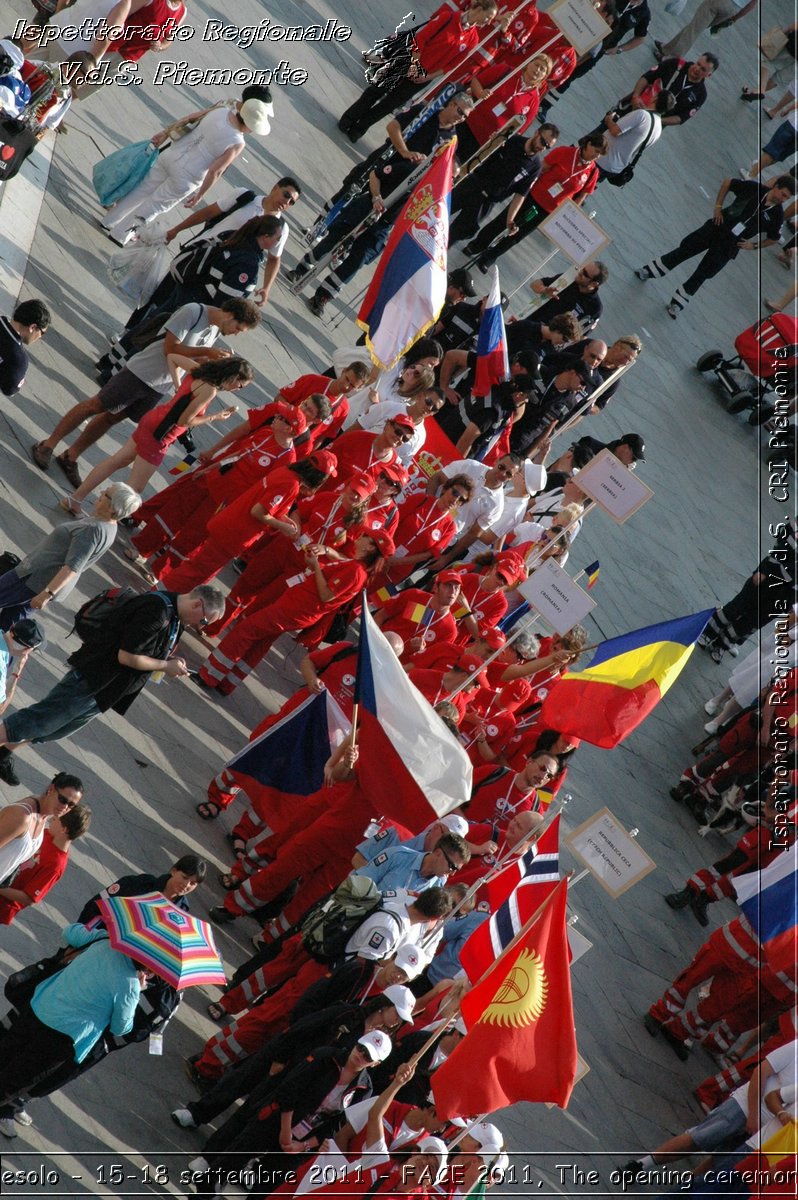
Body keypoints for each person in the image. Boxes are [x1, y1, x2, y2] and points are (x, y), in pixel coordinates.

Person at [30, 299, 259, 487]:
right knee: (95, 406)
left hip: (160, 385)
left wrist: (213, 362)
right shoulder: (192, 312)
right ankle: (48, 445)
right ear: (230, 315)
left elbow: (191, 358)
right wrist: (207, 351)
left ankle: (71, 456)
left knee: (112, 418)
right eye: (238, 328)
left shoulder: (213, 331)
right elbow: (170, 349)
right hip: (140, 372)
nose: (236, 334)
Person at [0, 585, 224, 757]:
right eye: (204, 621)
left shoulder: (174, 618)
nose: (201, 628)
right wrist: (166, 666)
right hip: (92, 681)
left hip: (105, 691)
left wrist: (168, 660)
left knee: (51, 730)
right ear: (197, 604)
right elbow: (127, 656)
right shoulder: (157, 610)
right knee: (35, 722)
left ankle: (4, 754)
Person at [197, 528, 394, 695]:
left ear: (370, 547)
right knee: (261, 642)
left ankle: (209, 675)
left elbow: (326, 595)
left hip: (297, 608)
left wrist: (316, 566)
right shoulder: (356, 568)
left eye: (365, 536)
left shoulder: (355, 571)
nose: (359, 537)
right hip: (297, 607)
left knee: (246, 631)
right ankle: (227, 683)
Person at [59, 356, 252, 514]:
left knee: (116, 461)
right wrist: (215, 417)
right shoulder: (209, 391)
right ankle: (102, 516)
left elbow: (172, 358)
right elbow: (185, 421)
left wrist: (178, 385)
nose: (238, 389)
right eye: (241, 385)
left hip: (152, 420)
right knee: (134, 489)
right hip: (161, 435)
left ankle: (75, 499)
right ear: (233, 377)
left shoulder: (199, 370)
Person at [0, 923, 149, 1109]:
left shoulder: (104, 941)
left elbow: (70, 932)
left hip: (40, 1008)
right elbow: (121, 1027)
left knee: (4, 1052)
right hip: (62, 1038)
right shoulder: (129, 985)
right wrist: (138, 990)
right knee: (13, 1082)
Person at [99, 95, 273, 245]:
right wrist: (201, 194)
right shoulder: (237, 142)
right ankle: (121, 234)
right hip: (189, 175)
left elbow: (190, 118)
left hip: (173, 153)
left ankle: (110, 220)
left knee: (143, 189)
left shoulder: (220, 111)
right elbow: (215, 171)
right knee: (155, 205)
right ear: (251, 125)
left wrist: (166, 132)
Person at [635, 174, 795, 317]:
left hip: (730, 245)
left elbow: (774, 238)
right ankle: (650, 271)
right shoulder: (755, 188)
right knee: (685, 250)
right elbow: (728, 183)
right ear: (776, 187)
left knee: (704, 272)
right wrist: (718, 208)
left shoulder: (777, 215)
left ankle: (677, 302)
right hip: (717, 227)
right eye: (783, 194)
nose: (783, 199)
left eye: (787, 198)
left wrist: (753, 246)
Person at [336, 0, 498, 140]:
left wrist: (427, 77)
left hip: (424, 77)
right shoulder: (448, 17)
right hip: (408, 62)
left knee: (389, 104)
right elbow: (421, 39)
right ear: (478, 9)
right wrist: (414, 65)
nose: (488, 22)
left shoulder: (473, 38)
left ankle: (359, 128)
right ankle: (349, 119)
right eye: (488, 17)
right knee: (376, 91)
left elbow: (452, 65)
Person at [0, 484, 141, 631]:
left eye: (106, 494)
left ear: (113, 508)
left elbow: (73, 566)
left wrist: (47, 594)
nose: (101, 492)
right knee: (8, 624)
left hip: (32, 578)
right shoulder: (108, 526)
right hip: (38, 581)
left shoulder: (93, 529)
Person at [464, 134, 607, 270]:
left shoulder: (593, 172)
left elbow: (582, 195)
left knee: (517, 235)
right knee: (504, 221)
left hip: (548, 211)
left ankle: (489, 258)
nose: (597, 156)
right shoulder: (565, 152)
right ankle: (477, 245)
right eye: (596, 151)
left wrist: (568, 213)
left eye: (600, 154)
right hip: (532, 195)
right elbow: (541, 169)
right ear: (588, 144)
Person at [163, 175, 302, 307]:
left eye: (292, 202)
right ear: (275, 188)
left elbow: (274, 258)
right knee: (159, 299)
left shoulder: (281, 229)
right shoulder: (245, 196)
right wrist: (176, 230)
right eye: (286, 195)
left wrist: (266, 288)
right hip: (196, 258)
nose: (286, 202)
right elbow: (208, 212)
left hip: (216, 278)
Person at [449, 123, 560, 245]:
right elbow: (484, 152)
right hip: (472, 185)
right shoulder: (513, 140)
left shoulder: (535, 167)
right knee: (439, 212)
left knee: (456, 234)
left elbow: (520, 194)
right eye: (543, 142)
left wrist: (510, 220)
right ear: (536, 133)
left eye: (547, 147)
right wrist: (493, 141)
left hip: (487, 201)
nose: (542, 147)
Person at [0, 800, 91, 925]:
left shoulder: (56, 865)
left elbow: (29, 898)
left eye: (55, 820)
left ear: (63, 829)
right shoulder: (47, 834)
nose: (50, 821)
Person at [0, 772, 83, 884]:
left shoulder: (43, 814)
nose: (65, 807)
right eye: (63, 799)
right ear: (51, 789)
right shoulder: (22, 816)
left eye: (71, 805)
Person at [616, 53, 718, 128]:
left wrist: (657, 121)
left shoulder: (700, 95)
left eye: (703, 69)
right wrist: (636, 96)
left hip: (651, 125)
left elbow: (681, 118)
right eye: (698, 64)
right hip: (635, 105)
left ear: (708, 75)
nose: (697, 69)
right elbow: (647, 77)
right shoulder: (675, 64)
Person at [594, 91, 675, 183]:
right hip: (615, 167)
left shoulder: (641, 115)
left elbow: (614, 131)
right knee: (585, 190)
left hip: (601, 158)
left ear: (655, 99)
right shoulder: (658, 128)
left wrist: (609, 119)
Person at [653, 0, 757, 62]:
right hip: (732, 9)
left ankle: (672, 59)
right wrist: (735, 18)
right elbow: (752, 4)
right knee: (696, 27)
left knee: (694, 29)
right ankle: (667, 48)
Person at [0, 298, 49, 397]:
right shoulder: (18, 359)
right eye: (42, 333)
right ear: (32, 327)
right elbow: (9, 390)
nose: (40, 337)